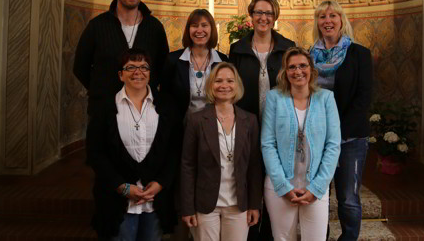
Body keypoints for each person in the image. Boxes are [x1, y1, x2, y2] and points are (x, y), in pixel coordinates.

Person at [86, 48, 180, 240]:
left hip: (154, 199)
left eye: (144, 67)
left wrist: (161, 182)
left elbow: (174, 149)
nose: (138, 72)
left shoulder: (167, 105)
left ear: (150, 73)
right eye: (131, 67)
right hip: (117, 200)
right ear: (121, 75)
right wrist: (122, 186)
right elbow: (95, 152)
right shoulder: (105, 107)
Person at [261, 47, 340, 241]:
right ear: (285, 72)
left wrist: (316, 188)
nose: (298, 71)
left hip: (315, 186)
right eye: (292, 67)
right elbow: (267, 144)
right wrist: (283, 185)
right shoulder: (274, 98)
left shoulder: (326, 98)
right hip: (280, 187)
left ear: (311, 69)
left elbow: (333, 145)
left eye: (303, 66)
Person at [310, 1, 373, 241]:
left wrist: (337, 133)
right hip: (317, 136)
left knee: (347, 197)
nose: (327, 20)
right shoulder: (309, 55)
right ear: (317, 22)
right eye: (322, 16)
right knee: (319, 194)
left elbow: (363, 97)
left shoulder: (359, 53)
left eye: (332, 15)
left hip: (351, 136)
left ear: (341, 20)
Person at [181, 62, 262, 241]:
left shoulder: (250, 120)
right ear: (211, 85)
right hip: (205, 203)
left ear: (237, 85)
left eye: (229, 81)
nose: (224, 85)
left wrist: (255, 204)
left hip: (238, 204)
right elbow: (188, 166)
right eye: (218, 81)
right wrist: (187, 208)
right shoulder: (196, 120)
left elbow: (255, 166)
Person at [74, 0, 169, 115]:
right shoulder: (97, 25)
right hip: (105, 109)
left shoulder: (155, 27)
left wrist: (146, 88)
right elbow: (80, 66)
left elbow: (163, 66)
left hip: (143, 109)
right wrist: (101, 90)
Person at [229, 0, 295, 121]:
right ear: (252, 16)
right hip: (245, 119)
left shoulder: (288, 48)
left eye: (269, 13)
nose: (263, 18)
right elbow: (232, 88)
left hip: (281, 119)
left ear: (275, 17)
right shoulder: (237, 49)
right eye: (259, 12)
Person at [161, 9, 228, 120]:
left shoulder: (223, 61)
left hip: (213, 125)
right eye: (194, 26)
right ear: (188, 30)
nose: (199, 30)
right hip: (180, 125)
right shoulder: (173, 60)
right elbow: (164, 96)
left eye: (204, 25)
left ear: (212, 29)